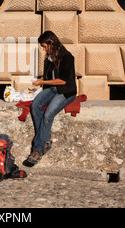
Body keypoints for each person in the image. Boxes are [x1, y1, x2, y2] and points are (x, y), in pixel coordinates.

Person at [23, 30, 77, 167]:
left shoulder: (67, 57)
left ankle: (38, 149)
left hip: (66, 92)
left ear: (51, 43)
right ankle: (45, 140)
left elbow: (63, 81)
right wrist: (41, 80)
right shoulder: (49, 58)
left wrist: (42, 83)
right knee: (35, 105)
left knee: (48, 114)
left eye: (44, 46)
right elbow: (49, 78)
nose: (43, 49)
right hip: (51, 89)